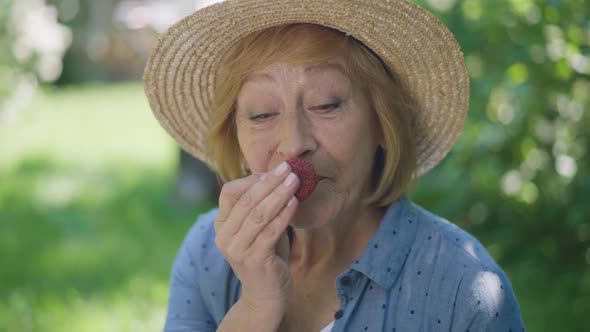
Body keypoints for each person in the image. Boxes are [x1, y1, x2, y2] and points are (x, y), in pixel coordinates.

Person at [143, 0, 525, 331]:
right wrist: (256, 308)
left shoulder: (464, 288)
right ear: (236, 140)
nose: (294, 143)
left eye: (326, 105)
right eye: (261, 114)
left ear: (381, 124)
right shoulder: (206, 253)